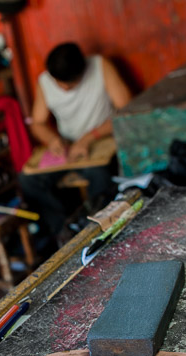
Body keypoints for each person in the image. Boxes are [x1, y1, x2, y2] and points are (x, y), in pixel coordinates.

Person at [19, 42, 133, 242]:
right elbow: (37, 123)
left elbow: (127, 110)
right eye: (58, 83)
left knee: (101, 176)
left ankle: (98, 234)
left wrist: (89, 137)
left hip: (102, 143)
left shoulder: (100, 67)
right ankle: (66, 235)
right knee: (28, 181)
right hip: (67, 147)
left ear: (82, 72)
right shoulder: (46, 81)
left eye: (68, 85)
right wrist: (52, 138)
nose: (62, 88)